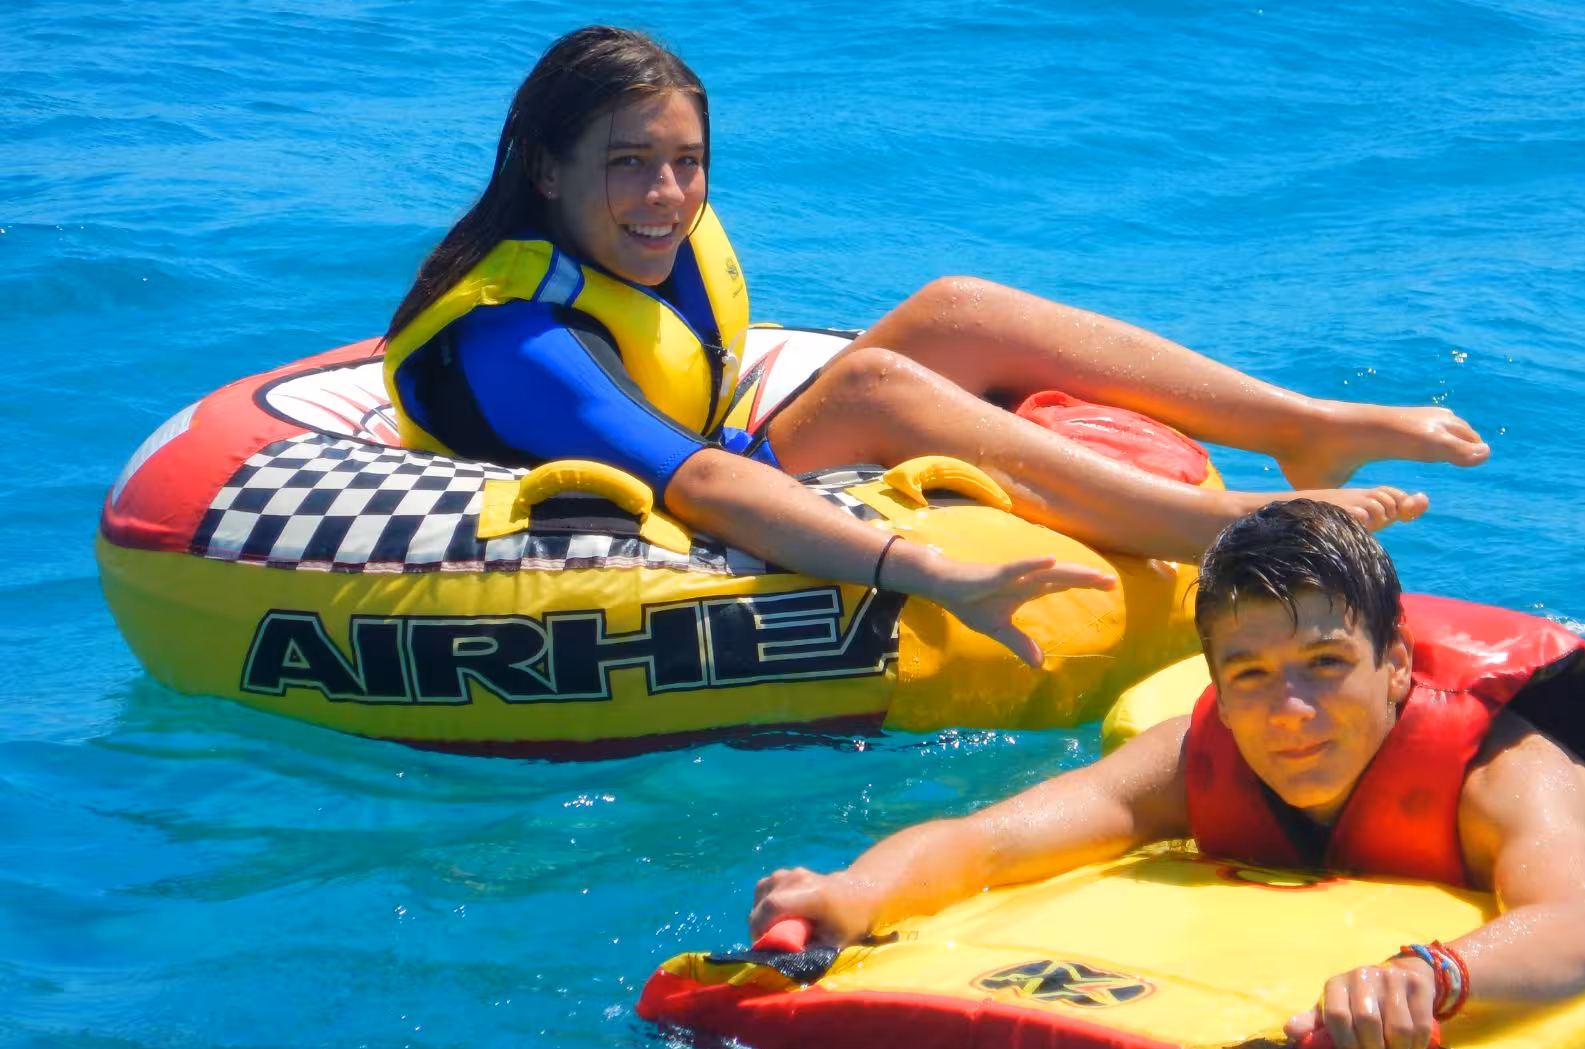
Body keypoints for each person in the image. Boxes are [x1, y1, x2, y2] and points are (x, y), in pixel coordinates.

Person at [383, 26, 1490, 668]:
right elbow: (702, 481)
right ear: (547, 171)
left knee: (956, 307)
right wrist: (921, 569)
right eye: (628, 162)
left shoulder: (646, 237)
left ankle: (1306, 428)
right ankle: (1229, 531)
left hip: (706, 448)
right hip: (645, 516)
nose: (666, 194)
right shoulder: (518, 336)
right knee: (876, 384)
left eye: (686, 160)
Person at [749, 499, 1585, 1049]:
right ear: (1212, 677)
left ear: (1397, 664)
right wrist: (854, 892)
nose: (1288, 710)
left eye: (1326, 664)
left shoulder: (1506, 776)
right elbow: (989, 841)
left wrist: (1429, 976)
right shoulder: (1192, 761)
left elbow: (1576, 930)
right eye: (1249, 674)